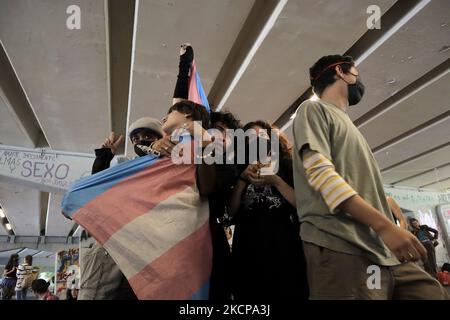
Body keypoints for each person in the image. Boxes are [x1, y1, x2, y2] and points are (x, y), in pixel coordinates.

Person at [292, 54, 449, 299]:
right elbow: (320, 174)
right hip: (341, 245)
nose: (359, 78)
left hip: (384, 250)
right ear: (341, 72)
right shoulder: (313, 109)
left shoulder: (351, 127)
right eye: (356, 71)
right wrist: (385, 225)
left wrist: (387, 216)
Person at [77, 118, 163, 300]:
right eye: (136, 138)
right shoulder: (126, 168)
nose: (141, 140)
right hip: (124, 247)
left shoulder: (167, 165)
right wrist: (104, 157)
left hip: (155, 248)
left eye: (148, 135)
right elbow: (97, 187)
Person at [229, 120, 308, 300]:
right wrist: (242, 180)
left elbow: (303, 206)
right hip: (248, 252)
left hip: (285, 248)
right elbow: (231, 212)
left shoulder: (288, 164)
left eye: (262, 136)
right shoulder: (238, 170)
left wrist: (276, 181)